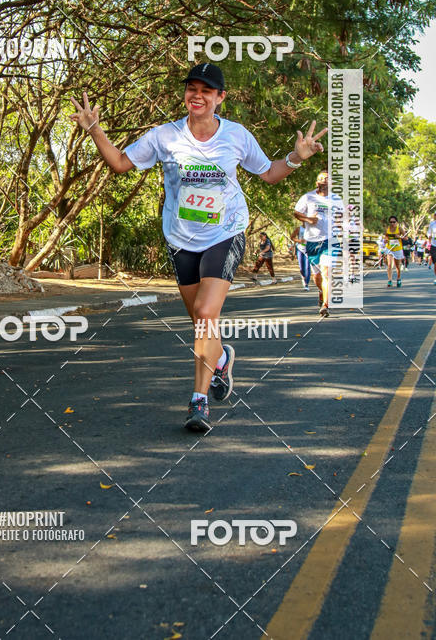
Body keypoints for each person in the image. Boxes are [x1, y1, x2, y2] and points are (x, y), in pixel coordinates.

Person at [70, 62, 326, 432]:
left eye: (206, 91)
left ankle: (199, 402)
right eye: (192, 89)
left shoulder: (236, 136)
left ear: (220, 97)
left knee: (206, 313)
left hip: (225, 233)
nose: (198, 96)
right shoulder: (165, 136)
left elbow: (270, 174)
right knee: (200, 321)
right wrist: (94, 129)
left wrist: (296, 157)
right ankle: (221, 359)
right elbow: (121, 164)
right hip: (181, 239)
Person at [294, 171, 343, 317]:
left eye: (327, 179)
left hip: (330, 240)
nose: (323, 181)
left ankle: (325, 305)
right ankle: (321, 291)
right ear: (317, 183)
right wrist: (309, 219)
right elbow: (296, 213)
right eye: (321, 179)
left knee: (326, 272)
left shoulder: (336, 199)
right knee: (317, 276)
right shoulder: (308, 197)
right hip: (312, 241)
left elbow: (341, 217)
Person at [384, 216, 405, 287]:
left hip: (397, 249)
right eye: (391, 222)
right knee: (389, 265)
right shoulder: (387, 229)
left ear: (397, 222)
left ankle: (398, 278)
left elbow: (406, 238)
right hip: (390, 248)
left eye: (394, 222)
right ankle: (389, 280)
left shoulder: (399, 228)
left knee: (397, 266)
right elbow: (386, 237)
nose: (392, 223)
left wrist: (399, 237)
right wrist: (385, 240)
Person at [291, 225, 310, 290]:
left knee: (307, 267)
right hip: (300, 249)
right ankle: (303, 277)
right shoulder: (299, 228)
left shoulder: (312, 228)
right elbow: (292, 237)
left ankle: (306, 284)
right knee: (302, 268)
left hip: (308, 249)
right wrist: (299, 240)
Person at [428, 212, 436, 284]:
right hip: (434, 245)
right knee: (435, 263)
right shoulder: (432, 224)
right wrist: (429, 244)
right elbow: (429, 234)